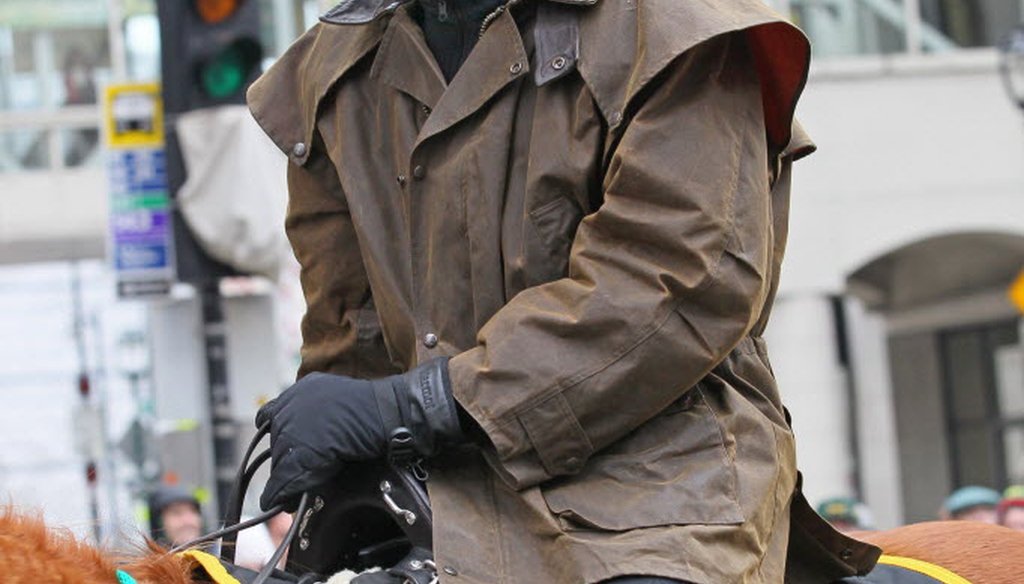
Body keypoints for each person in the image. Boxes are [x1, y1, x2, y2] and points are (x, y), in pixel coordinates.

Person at [246, 0, 880, 582]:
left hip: (652, 495)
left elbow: (682, 280)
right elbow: (351, 326)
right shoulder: (331, 66)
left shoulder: (669, 25)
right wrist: (333, 449)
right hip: (437, 491)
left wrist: (420, 405)